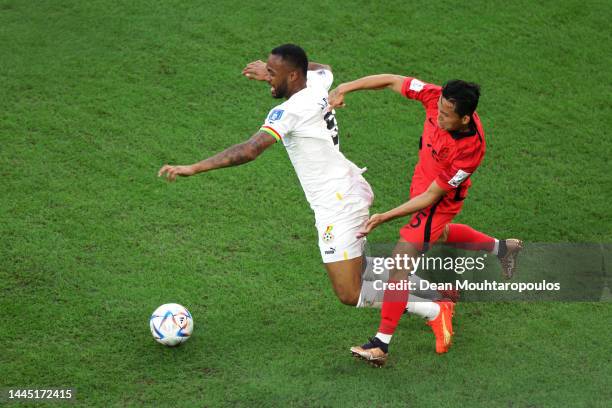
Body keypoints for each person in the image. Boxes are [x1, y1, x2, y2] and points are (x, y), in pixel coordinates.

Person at [158, 44, 447, 320]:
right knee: (357, 266)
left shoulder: (289, 111)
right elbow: (324, 68)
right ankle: (432, 290)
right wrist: (278, 71)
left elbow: (250, 149)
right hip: (347, 186)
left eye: (273, 73)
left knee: (350, 291)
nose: (266, 76)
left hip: (337, 204)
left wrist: (194, 167)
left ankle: (434, 309)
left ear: (294, 75)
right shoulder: (318, 83)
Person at [328, 74, 523, 366]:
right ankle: (502, 248)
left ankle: (381, 344)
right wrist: (344, 87)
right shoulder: (437, 97)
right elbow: (392, 81)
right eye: (439, 110)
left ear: (466, 119)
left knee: (399, 265)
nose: (439, 116)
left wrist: (386, 215)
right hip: (423, 182)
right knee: (440, 236)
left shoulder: (470, 151)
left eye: (446, 116)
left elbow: (432, 197)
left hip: (438, 201)